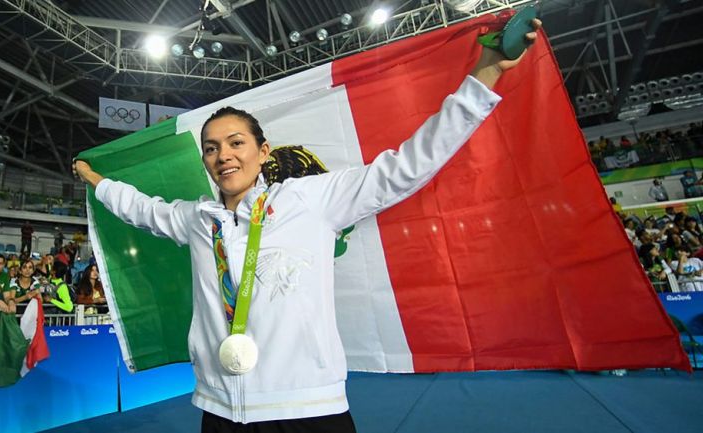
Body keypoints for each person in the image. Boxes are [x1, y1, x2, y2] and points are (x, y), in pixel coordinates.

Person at [74, 19, 542, 431]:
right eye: (212, 148)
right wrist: (95, 179)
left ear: (263, 151)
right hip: (220, 411)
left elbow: (405, 168)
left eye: (236, 142)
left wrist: (484, 78)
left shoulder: (311, 199)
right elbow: (141, 208)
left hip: (308, 408)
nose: (224, 155)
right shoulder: (198, 219)